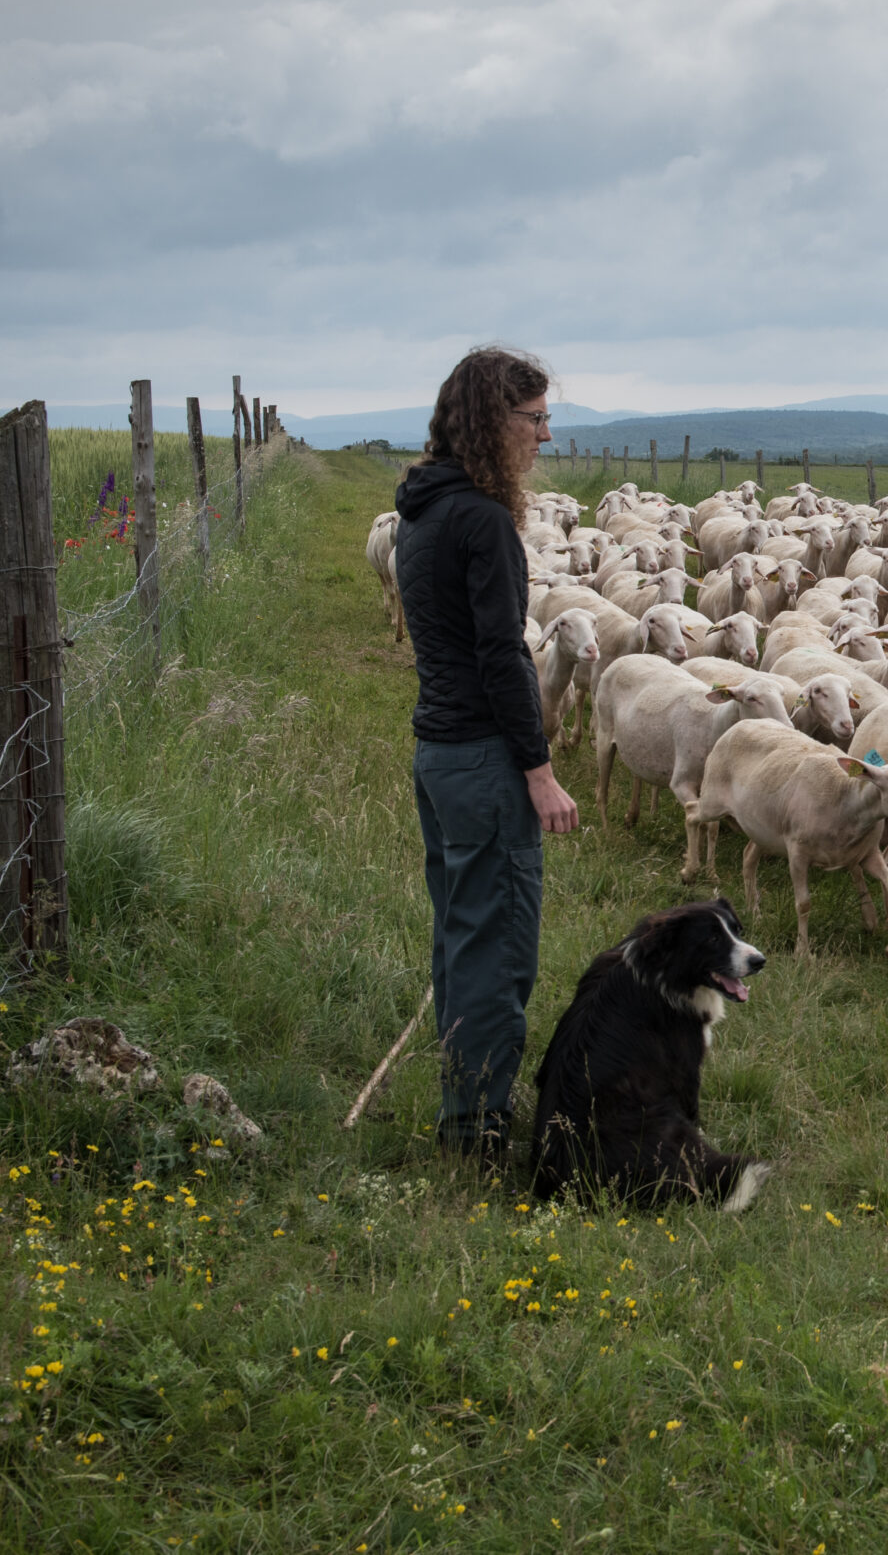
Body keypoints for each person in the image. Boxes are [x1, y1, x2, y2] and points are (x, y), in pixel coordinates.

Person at [394, 345, 580, 1168]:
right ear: (491, 421)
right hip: (480, 761)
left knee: (461, 937)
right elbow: (502, 654)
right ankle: (475, 1130)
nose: (544, 435)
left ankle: (464, 1102)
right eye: (533, 419)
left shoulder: (423, 511)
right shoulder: (481, 521)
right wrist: (538, 770)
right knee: (497, 949)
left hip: (439, 754)